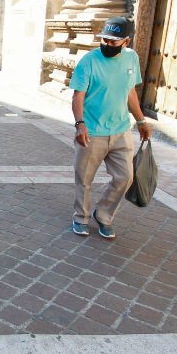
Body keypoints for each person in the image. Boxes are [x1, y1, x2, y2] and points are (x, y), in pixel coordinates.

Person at [70, 17, 152, 239]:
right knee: (84, 179)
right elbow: (78, 95)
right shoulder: (89, 61)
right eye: (104, 39)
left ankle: (103, 215)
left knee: (125, 177)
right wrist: (80, 124)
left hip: (121, 130)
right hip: (92, 132)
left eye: (113, 41)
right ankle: (81, 217)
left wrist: (141, 120)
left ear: (126, 41)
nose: (106, 44)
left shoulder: (131, 59)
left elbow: (130, 92)